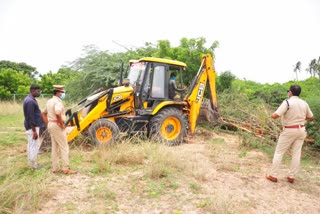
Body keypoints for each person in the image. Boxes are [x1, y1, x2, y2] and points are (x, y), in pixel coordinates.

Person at [266, 85, 313, 183]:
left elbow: (275, 116)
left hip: (289, 130)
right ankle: (291, 176)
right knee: (296, 153)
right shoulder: (304, 103)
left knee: (279, 152)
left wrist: (271, 114)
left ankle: (273, 175)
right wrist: (301, 119)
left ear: (290, 92)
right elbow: (311, 116)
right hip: (301, 130)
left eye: (289, 91)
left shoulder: (287, 102)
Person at [42, 85, 77, 174]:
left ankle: (55, 168)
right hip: (57, 126)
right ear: (58, 93)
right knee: (64, 147)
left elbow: (43, 113)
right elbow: (58, 113)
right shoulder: (58, 102)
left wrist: (48, 124)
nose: (63, 94)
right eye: (62, 92)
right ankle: (66, 168)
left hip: (51, 125)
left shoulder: (49, 101)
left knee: (55, 147)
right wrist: (61, 124)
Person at [23, 84, 43, 169]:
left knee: (31, 144)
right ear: (33, 90)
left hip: (32, 126)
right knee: (34, 145)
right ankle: (33, 165)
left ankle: (31, 163)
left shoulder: (30, 99)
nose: (39, 92)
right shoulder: (30, 101)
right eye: (38, 91)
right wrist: (34, 131)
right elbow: (30, 117)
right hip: (32, 127)